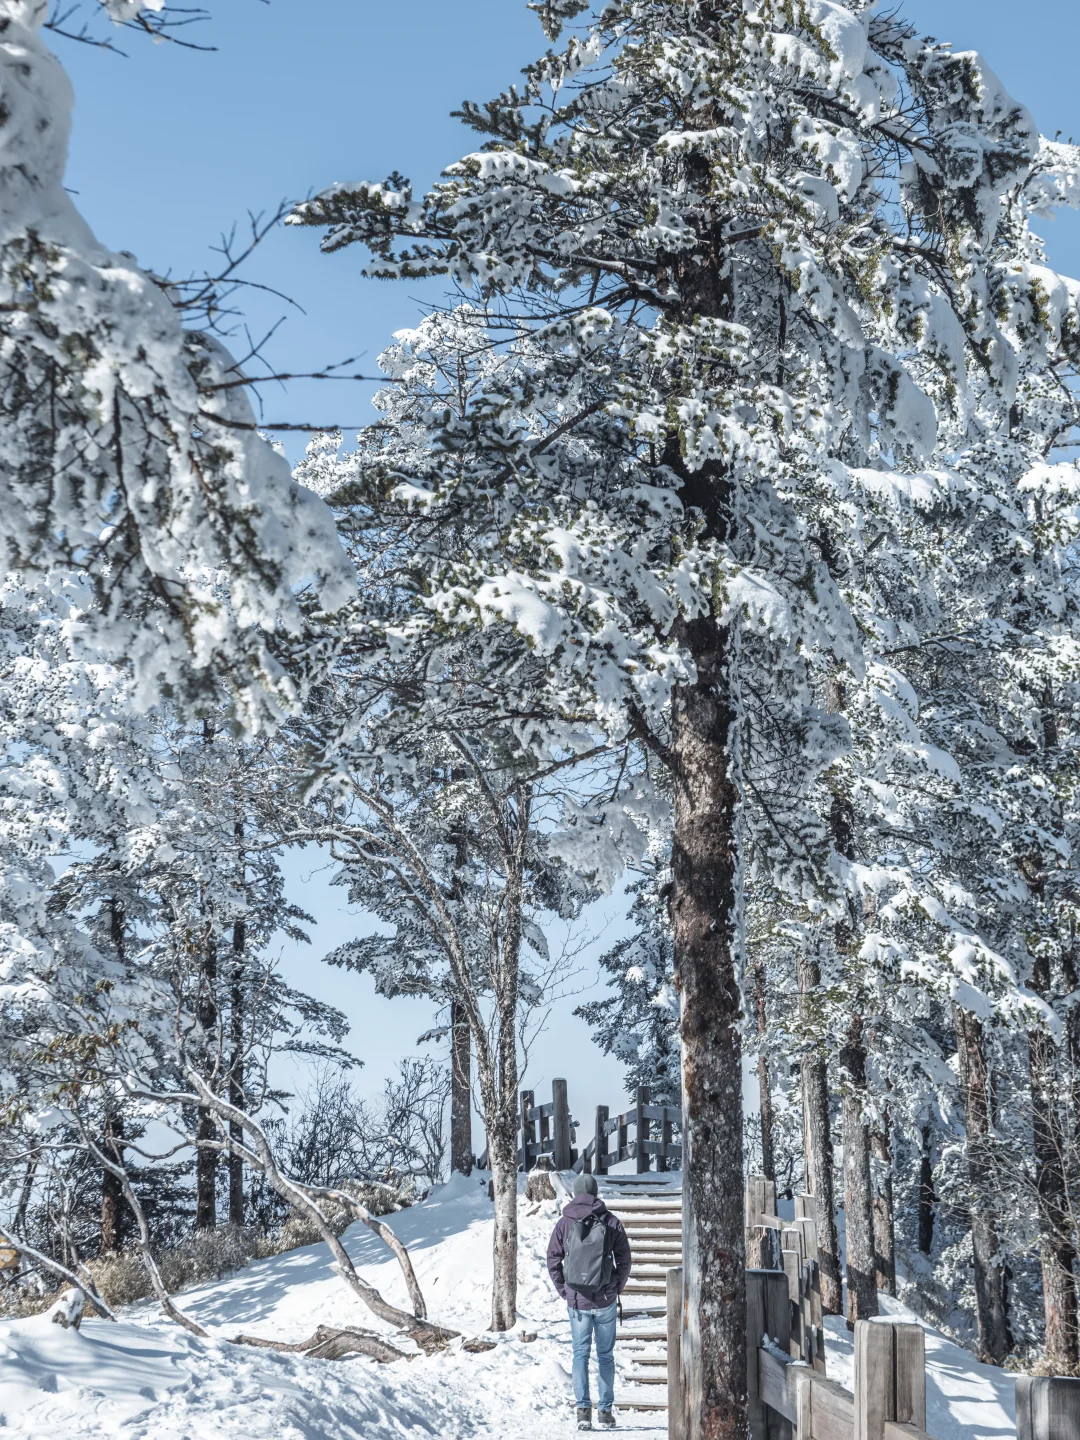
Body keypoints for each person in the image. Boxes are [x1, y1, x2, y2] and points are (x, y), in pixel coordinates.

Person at [546, 1173, 632, 1430]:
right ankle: (605, 1413)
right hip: (605, 1300)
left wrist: (565, 1290)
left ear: (575, 1193)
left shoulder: (564, 1222)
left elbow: (552, 1259)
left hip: (577, 1302)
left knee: (580, 1354)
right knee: (605, 1356)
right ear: (595, 1193)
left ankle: (583, 1412)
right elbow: (625, 1260)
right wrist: (616, 1287)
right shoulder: (611, 1221)